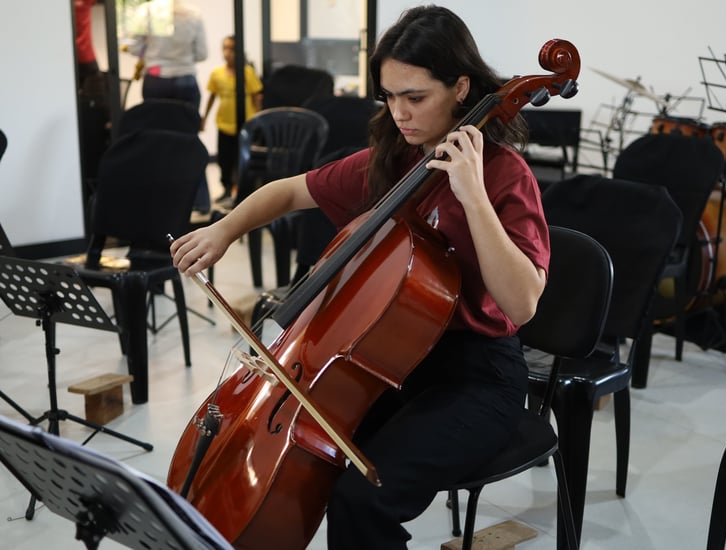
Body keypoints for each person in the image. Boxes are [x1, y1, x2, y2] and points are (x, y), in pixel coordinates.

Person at [171, 5, 549, 549]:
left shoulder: (504, 175)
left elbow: (523, 303)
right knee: (315, 461)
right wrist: (223, 229)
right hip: (393, 361)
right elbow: (289, 191)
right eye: (389, 97)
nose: (400, 113)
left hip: (477, 376)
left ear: (462, 87)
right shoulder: (396, 160)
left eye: (415, 97)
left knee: (362, 498)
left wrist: (473, 196)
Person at [201, 35, 264, 204]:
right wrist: (204, 117)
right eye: (225, 48)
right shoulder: (217, 73)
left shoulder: (247, 72)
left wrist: (260, 120)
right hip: (224, 124)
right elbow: (212, 96)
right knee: (224, 159)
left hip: (245, 125)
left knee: (241, 160)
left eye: (232, 49)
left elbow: (256, 96)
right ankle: (226, 189)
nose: (228, 53)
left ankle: (240, 191)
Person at [125, 0, 208, 109]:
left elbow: (134, 48)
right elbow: (202, 54)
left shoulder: (146, 10)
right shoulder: (194, 13)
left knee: (156, 119)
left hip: (156, 77)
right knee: (187, 119)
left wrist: (151, 52)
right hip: (186, 77)